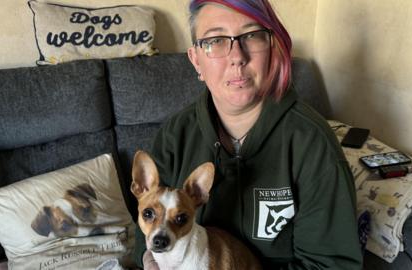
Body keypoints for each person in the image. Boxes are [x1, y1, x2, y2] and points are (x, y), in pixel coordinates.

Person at [134, 0, 363, 269]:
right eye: (216, 40)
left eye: (252, 36)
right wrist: (149, 261)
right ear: (196, 60)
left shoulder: (311, 142)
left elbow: (332, 265)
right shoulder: (176, 134)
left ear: (273, 49)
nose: (237, 56)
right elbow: (146, 226)